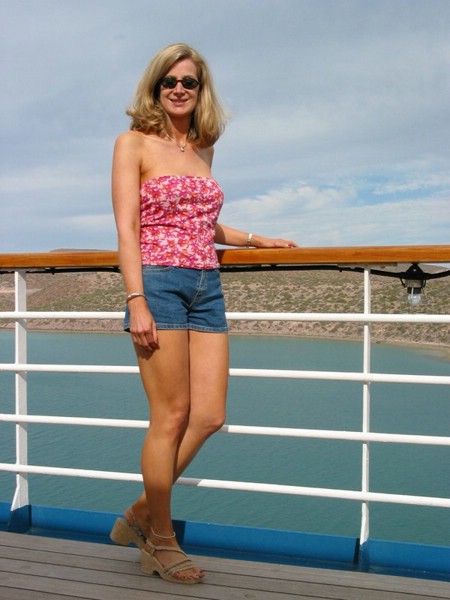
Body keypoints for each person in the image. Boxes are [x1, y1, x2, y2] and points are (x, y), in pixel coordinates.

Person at [109, 42, 298, 584]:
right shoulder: (132, 143)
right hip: (159, 284)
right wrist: (136, 299)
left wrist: (255, 239)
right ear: (155, 88)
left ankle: (140, 514)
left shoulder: (203, 148)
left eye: (188, 82)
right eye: (169, 81)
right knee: (170, 416)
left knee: (209, 415)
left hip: (206, 286)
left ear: (200, 90)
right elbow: (128, 227)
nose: (178, 89)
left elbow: (200, 222)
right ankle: (161, 541)